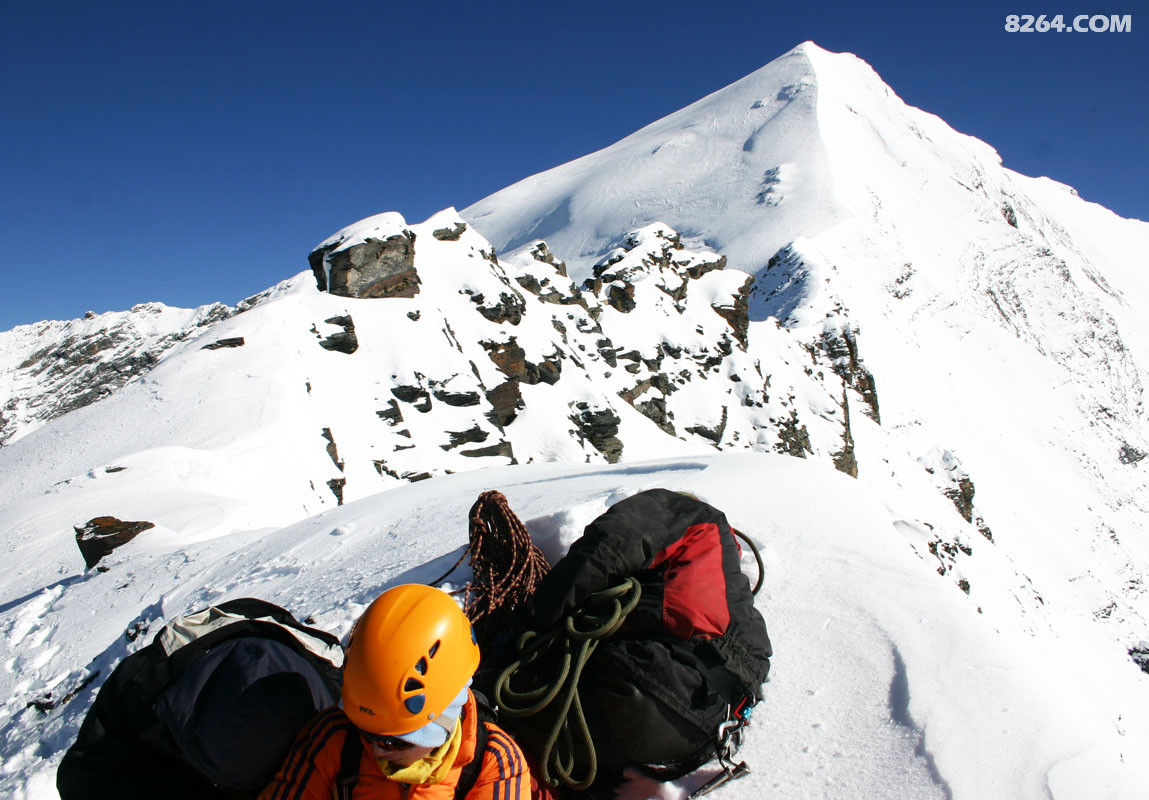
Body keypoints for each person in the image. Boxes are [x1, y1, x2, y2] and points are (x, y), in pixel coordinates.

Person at [260, 584, 530, 800]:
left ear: (442, 722)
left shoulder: (493, 760)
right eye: (368, 732)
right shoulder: (336, 736)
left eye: (397, 742)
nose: (378, 749)